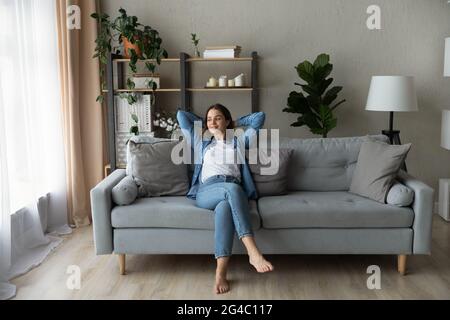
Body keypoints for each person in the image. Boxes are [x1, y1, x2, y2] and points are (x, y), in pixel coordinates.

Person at [177, 104, 274, 295]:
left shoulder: (239, 141)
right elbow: (181, 116)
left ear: (227, 121)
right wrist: (207, 125)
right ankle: (253, 253)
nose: (213, 122)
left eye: (218, 118)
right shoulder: (201, 142)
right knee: (231, 191)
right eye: (209, 118)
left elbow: (259, 117)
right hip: (207, 191)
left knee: (224, 209)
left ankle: (220, 273)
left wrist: (235, 123)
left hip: (231, 190)